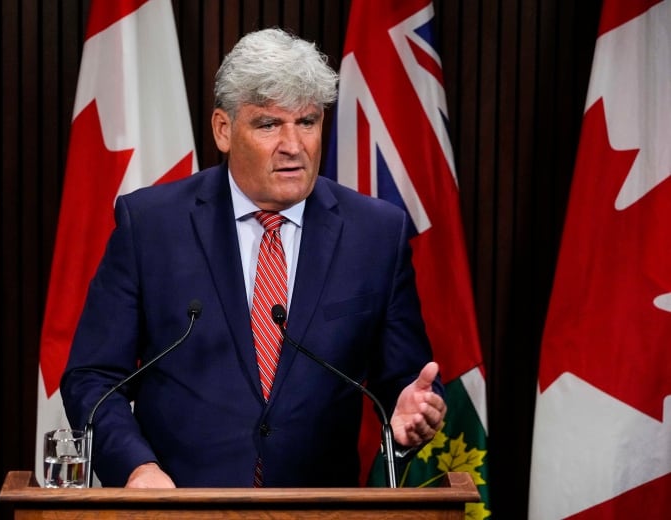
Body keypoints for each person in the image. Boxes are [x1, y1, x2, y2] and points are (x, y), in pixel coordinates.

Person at [61, 27, 446, 489]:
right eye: (268, 124)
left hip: (322, 511)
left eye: (307, 122)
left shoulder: (377, 234)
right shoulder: (151, 225)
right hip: (179, 509)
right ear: (224, 130)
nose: (293, 145)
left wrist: (410, 417)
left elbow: (407, 380)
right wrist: (137, 469)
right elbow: (93, 377)